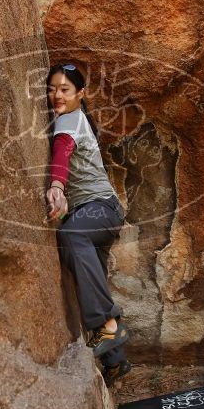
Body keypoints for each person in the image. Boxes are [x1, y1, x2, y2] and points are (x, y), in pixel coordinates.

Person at [44, 63, 132, 386]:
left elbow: (62, 153)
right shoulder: (76, 119)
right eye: (52, 88)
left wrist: (56, 186)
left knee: (72, 234)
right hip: (99, 213)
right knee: (87, 276)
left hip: (100, 210)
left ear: (81, 94)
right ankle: (115, 362)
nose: (57, 95)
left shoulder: (69, 119)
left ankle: (108, 327)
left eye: (65, 89)